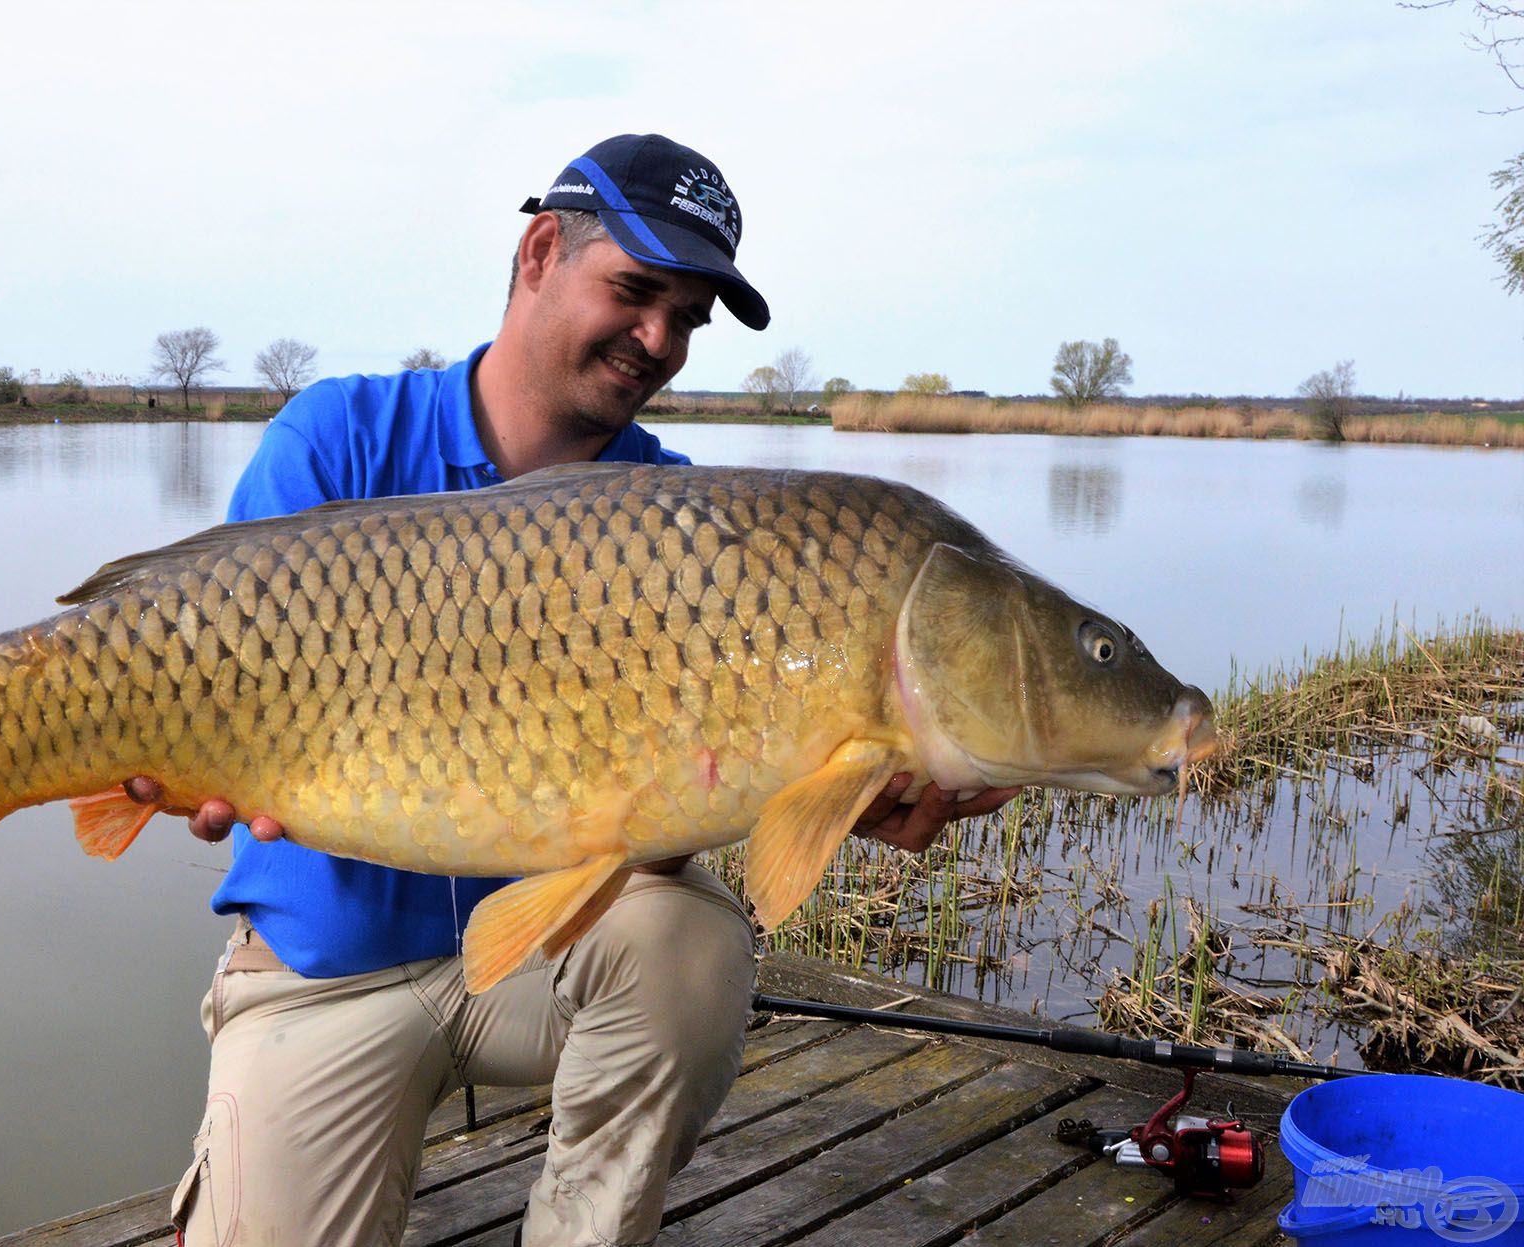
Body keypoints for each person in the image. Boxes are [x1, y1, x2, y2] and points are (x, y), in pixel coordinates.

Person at [139, 134, 1017, 1246]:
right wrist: (176, 767)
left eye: (688, 316)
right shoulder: (339, 440)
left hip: (546, 959)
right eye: (637, 291)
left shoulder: (687, 521)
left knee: (690, 941)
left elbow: (647, 843)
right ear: (541, 250)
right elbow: (209, 676)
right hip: (324, 964)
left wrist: (835, 795)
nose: (659, 340)